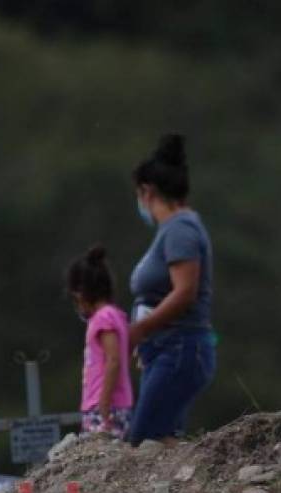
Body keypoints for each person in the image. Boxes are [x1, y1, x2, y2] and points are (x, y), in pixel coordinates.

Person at [128, 133, 215, 445]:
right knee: (162, 441)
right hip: (165, 349)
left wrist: (139, 329)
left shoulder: (180, 230)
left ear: (147, 192)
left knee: (142, 440)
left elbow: (184, 292)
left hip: (180, 349)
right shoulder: (170, 231)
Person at [66, 246, 134, 439]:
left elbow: (113, 360)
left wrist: (104, 403)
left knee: (101, 454)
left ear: (81, 293)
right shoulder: (116, 315)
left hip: (105, 408)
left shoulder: (103, 318)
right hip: (106, 406)